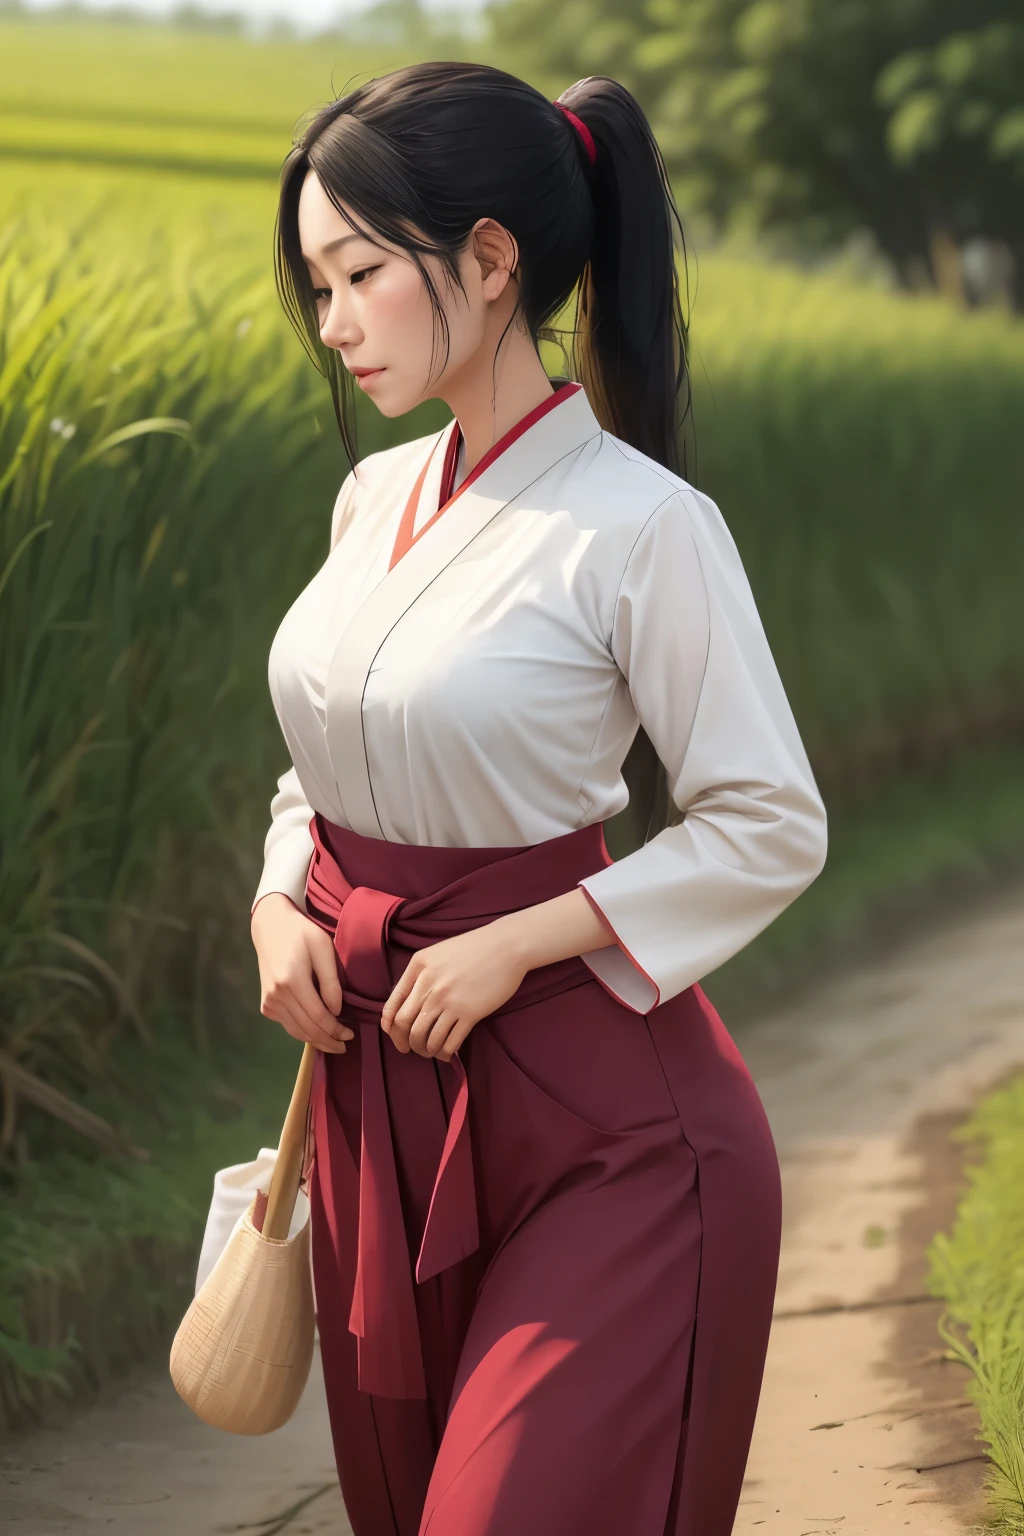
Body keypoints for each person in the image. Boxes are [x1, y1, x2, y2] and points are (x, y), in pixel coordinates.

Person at [249, 62, 827, 1536]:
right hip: (389, 1096)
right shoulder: (370, 499)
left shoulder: (644, 527)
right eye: (318, 283)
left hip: (616, 1140)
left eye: (362, 272)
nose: (332, 322)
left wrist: (521, 939)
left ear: (492, 262)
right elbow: (330, 751)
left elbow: (770, 818)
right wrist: (274, 900)